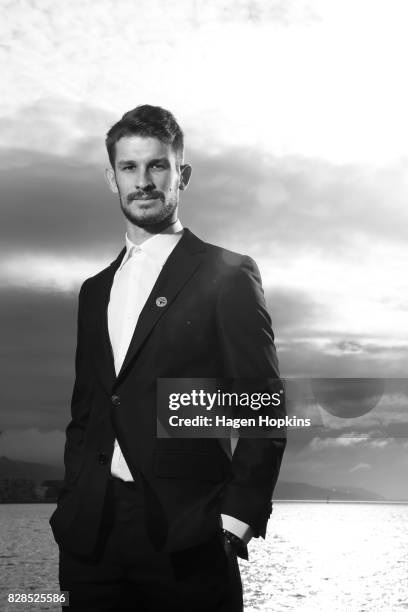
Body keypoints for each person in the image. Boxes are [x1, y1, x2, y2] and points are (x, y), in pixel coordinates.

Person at [49, 104, 287, 611]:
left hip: (189, 538)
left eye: (158, 165)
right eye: (129, 168)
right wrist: (72, 501)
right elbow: (87, 410)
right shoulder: (94, 292)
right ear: (111, 178)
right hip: (91, 541)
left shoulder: (227, 273)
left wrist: (234, 524)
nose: (143, 181)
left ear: (183, 175)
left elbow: (263, 408)